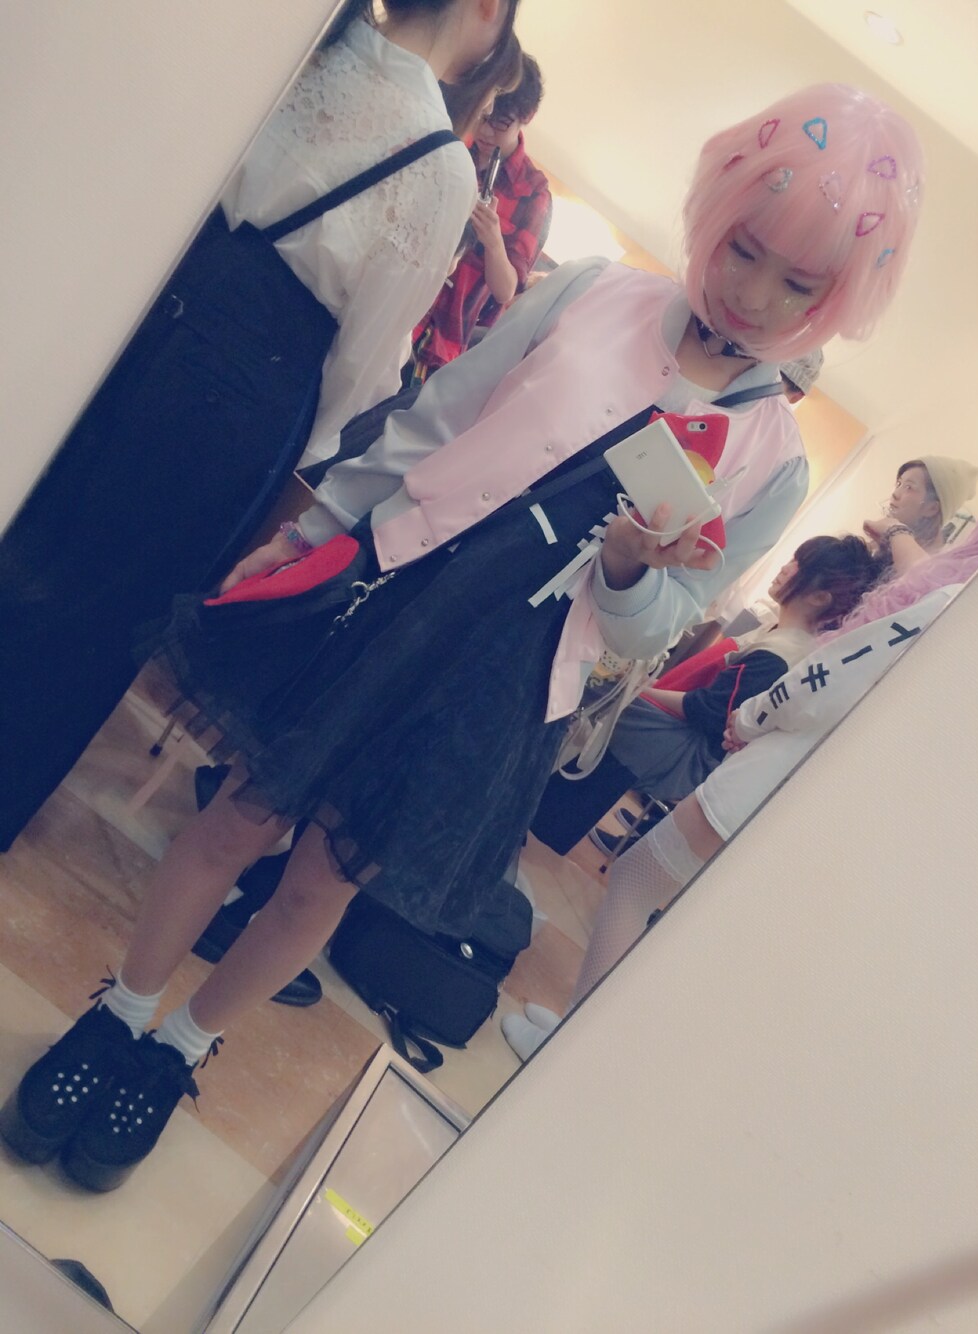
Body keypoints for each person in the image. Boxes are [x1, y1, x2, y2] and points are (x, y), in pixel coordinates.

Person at [1, 84, 924, 1191]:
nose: (754, 292)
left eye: (797, 282)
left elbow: (651, 629)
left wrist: (629, 567)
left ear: (836, 299)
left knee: (325, 881)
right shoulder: (593, 293)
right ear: (716, 214)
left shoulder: (771, 459)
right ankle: (121, 1012)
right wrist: (314, 529)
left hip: (507, 680)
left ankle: (181, 1049)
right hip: (397, 590)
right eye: (745, 249)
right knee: (240, 813)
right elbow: (436, 419)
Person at [0, 0, 519, 851]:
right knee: (97, 622)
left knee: (27, 522)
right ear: (488, 8)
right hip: (237, 402)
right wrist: (300, 454)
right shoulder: (438, 163)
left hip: (141, 314)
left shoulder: (304, 43)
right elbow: (364, 363)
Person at [503, 497, 978, 1059]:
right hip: (836, 811)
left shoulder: (953, 611)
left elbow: (824, 681)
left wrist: (749, 717)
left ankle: (565, 1053)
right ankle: (577, 1048)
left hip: (775, 776)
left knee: (637, 882)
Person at [530, 534, 878, 858]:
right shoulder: (780, 636)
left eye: (798, 566)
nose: (786, 568)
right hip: (673, 729)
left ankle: (532, 833)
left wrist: (640, 690)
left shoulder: (782, 653)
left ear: (819, 597)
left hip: (680, 747)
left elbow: (710, 712)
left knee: (606, 705)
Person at [412, 54, 552, 379]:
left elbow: (506, 291)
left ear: (526, 117)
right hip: (401, 296)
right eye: (484, 116)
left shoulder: (534, 191)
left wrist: (493, 241)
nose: (486, 131)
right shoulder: (455, 140)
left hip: (443, 342)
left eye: (501, 123)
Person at [864, 455, 978, 576]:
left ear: (932, 508)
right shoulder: (878, 549)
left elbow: (919, 578)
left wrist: (895, 529)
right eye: (899, 483)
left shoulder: (940, 568)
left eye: (909, 487)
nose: (895, 494)